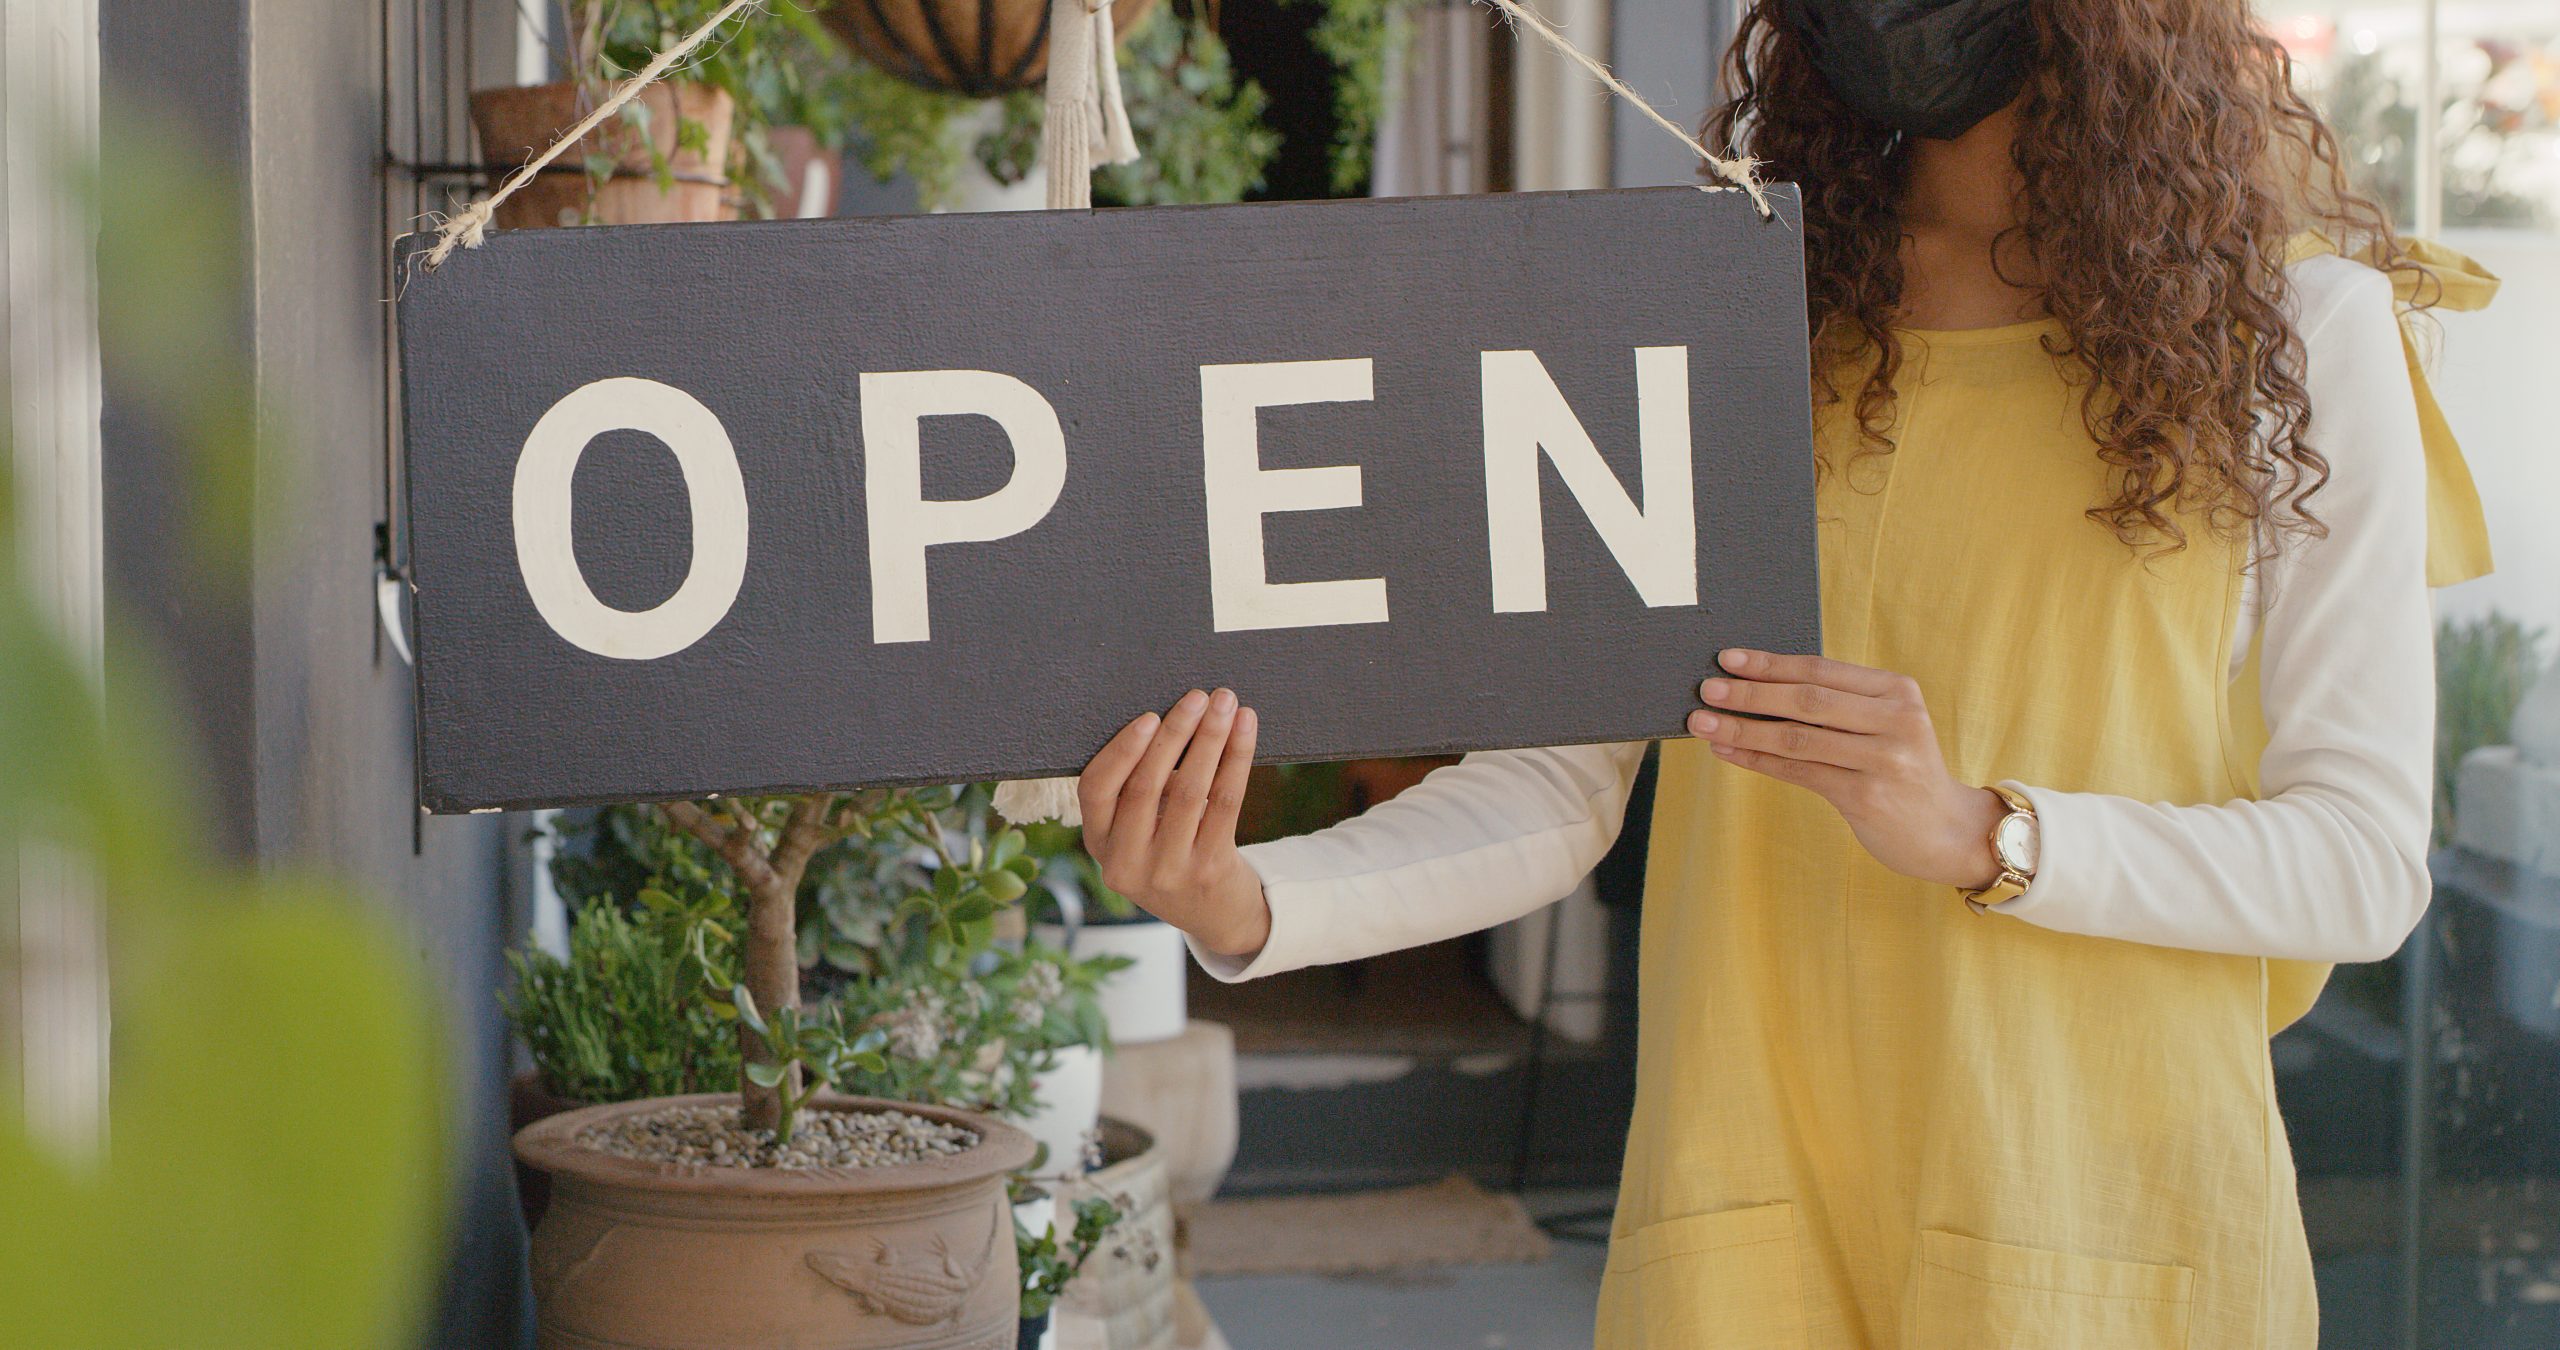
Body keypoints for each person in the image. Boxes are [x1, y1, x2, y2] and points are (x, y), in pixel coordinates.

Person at [1068, 1, 2497, 1344]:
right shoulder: (1737, 305)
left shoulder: (2295, 340)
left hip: (2114, 1240)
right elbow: (1561, 783)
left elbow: (2361, 863)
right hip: (1748, 1243)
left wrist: (1991, 834)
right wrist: (1250, 900)